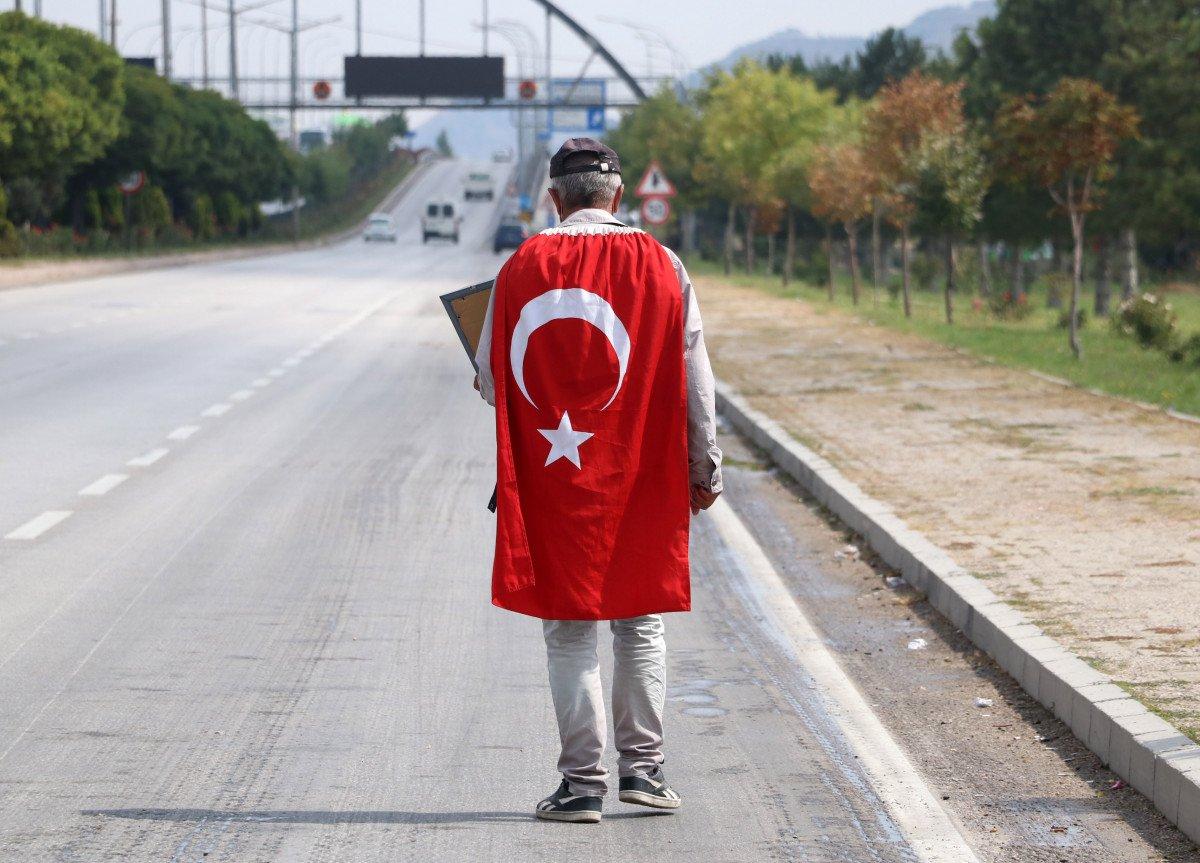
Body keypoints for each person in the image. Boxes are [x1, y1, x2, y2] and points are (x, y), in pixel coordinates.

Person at [474, 138, 722, 824]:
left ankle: (581, 784)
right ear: (618, 196)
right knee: (639, 621)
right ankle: (643, 772)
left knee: (569, 628)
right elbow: (693, 375)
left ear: (555, 198)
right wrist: (705, 470)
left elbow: (494, 383)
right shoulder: (664, 264)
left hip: (558, 479)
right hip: (642, 472)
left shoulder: (521, 265)